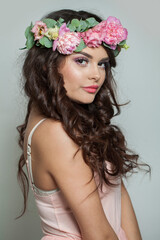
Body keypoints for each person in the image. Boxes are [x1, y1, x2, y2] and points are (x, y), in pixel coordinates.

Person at [16, 9, 149, 240]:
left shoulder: (69, 119)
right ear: (49, 64)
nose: (97, 75)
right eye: (82, 61)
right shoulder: (54, 133)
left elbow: (117, 193)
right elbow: (98, 236)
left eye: (102, 64)